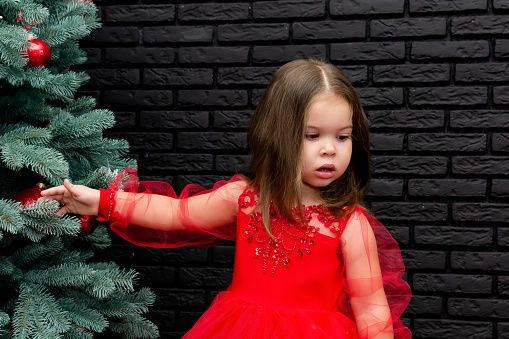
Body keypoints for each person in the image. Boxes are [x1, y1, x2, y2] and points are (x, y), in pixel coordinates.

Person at [41, 59, 411, 338]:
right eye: (312, 136)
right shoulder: (247, 200)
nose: (330, 150)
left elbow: (374, 314)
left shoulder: (350, 224)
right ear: (278, 136)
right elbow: (176, 213)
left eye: (342, 137)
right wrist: (103, 202)